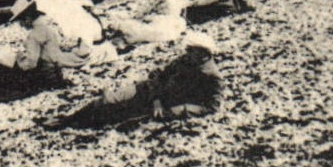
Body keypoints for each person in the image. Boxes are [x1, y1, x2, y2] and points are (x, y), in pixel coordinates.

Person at [48, 33, 221, 129]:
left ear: (204, 54)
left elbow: (211, 107)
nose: (187, 54)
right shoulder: (183, 61)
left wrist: (173, 111)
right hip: (148, 93)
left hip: (164, 106)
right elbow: (156, 75)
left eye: (192, 51)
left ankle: (72, 124)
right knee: (108, 99)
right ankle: (67, 119)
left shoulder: (210, 76)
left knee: (116, 117)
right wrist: (156, 99)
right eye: (188, 50)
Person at [0, 0, 86, 101]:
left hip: (42, 76)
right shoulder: (49, 28)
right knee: (2, 66)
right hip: (53, 72)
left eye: (21, 20)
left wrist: (18, 58)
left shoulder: (34, 35)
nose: (21, 24)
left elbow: (30, 64)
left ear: (28, 17)